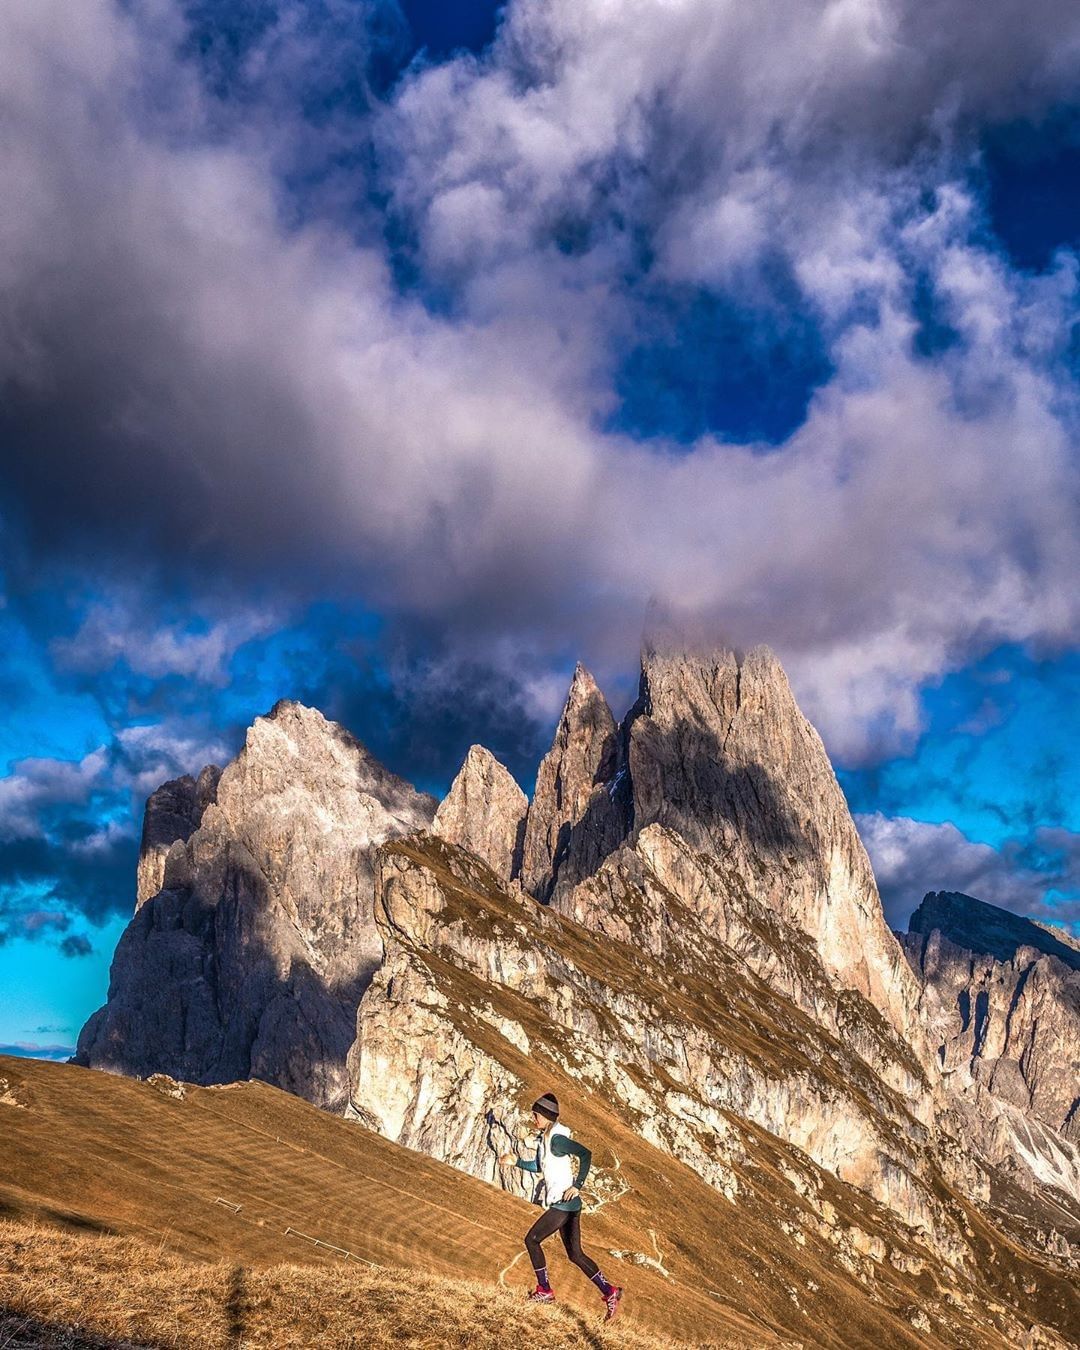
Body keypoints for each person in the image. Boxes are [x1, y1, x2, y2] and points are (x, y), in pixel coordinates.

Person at [500, 1092, 623, 1322]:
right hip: (568, 1205)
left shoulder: (557, 1139)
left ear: (546, 1116)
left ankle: (544, 1290)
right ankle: (610, 1291)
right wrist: (515, 1161)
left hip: (565, 1203)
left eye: (536, 1114)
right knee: (575, 1254)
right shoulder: (545, 1139)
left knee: (532, 1239)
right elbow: (539, 1166)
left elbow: (586, 1154)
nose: (533, 1117)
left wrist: (578, 1185)